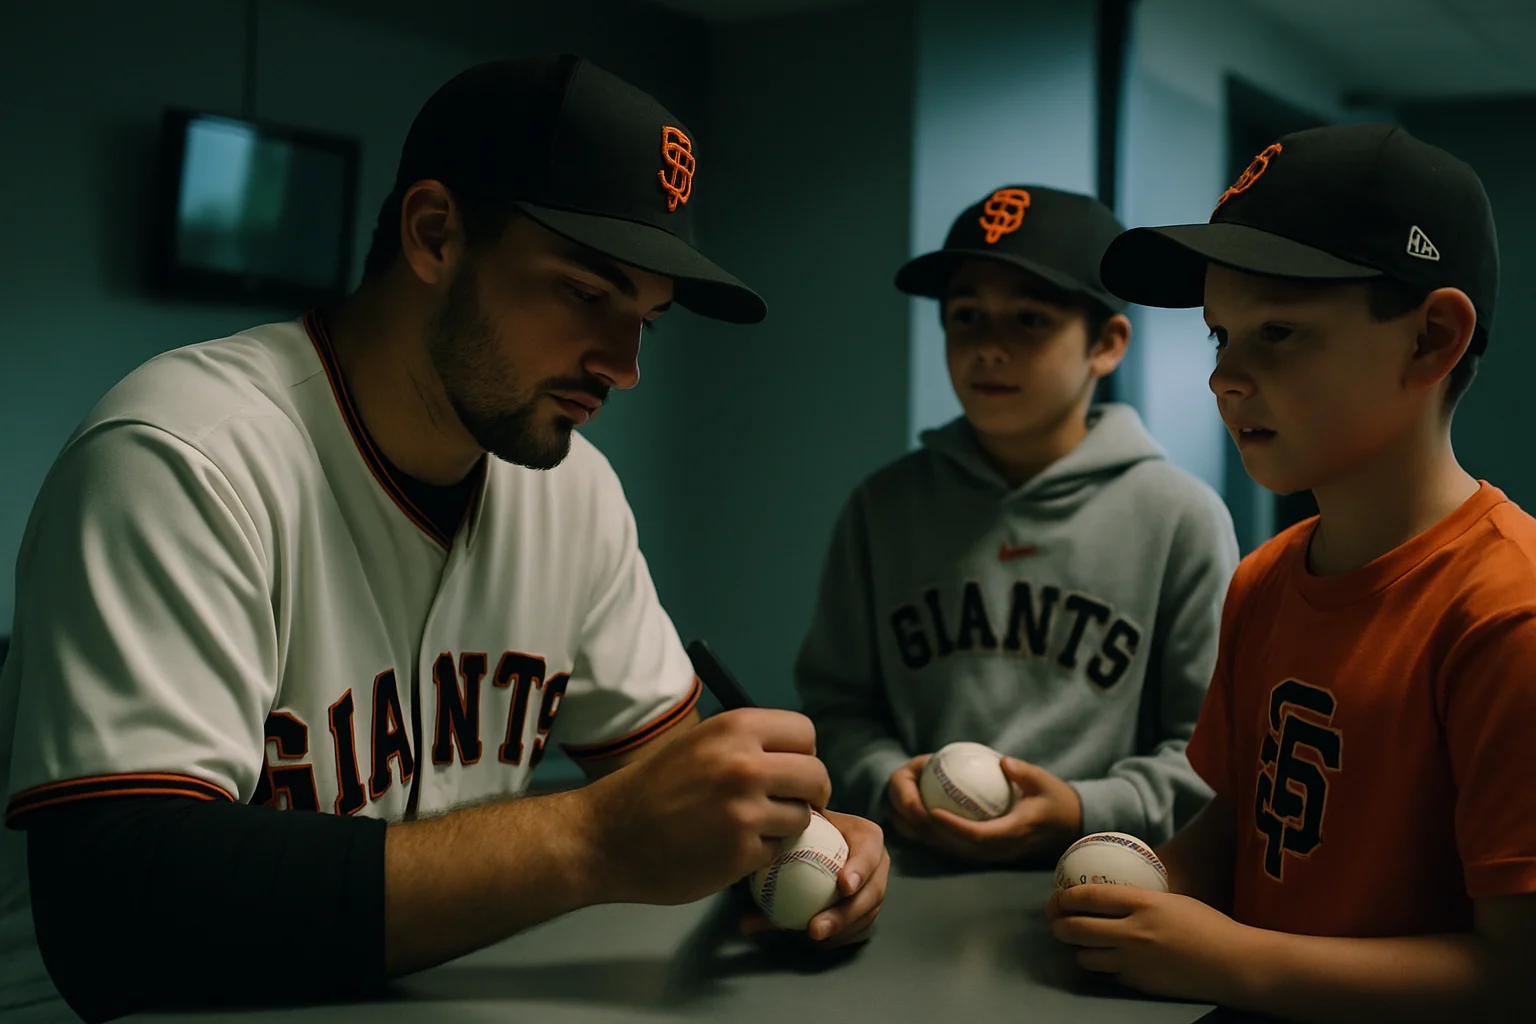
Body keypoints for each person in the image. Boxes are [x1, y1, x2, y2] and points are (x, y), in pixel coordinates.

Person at [0, 55, 888, 1022]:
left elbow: (669, 794)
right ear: (434, 235)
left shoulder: (572, 491)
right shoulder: (186, 457)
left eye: (647, 321)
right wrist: (590, 842)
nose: (624, 365)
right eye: (588, 294)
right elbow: (114, 917)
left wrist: (789, 839)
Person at [1048, 123, 1536, 1019]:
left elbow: (1517, 977)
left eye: (1278, 331)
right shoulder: (1265, 579)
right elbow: (1242, 825)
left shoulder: (1509, 615)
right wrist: (1149, 886)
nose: (1225, 377)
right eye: (1219, 335)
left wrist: (1235, 963)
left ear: (1431, 340)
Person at [795, 185, 1237, 867]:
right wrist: (887, 781)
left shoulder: (1179, 517)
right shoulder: (884, 508)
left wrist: (1085, 809)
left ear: (1107, 344)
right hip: (907, 875)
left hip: (1097, 881)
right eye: (965, 316)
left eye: (1030, 320)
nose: (988, 348)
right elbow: (836, 708)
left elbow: (1211, 753)